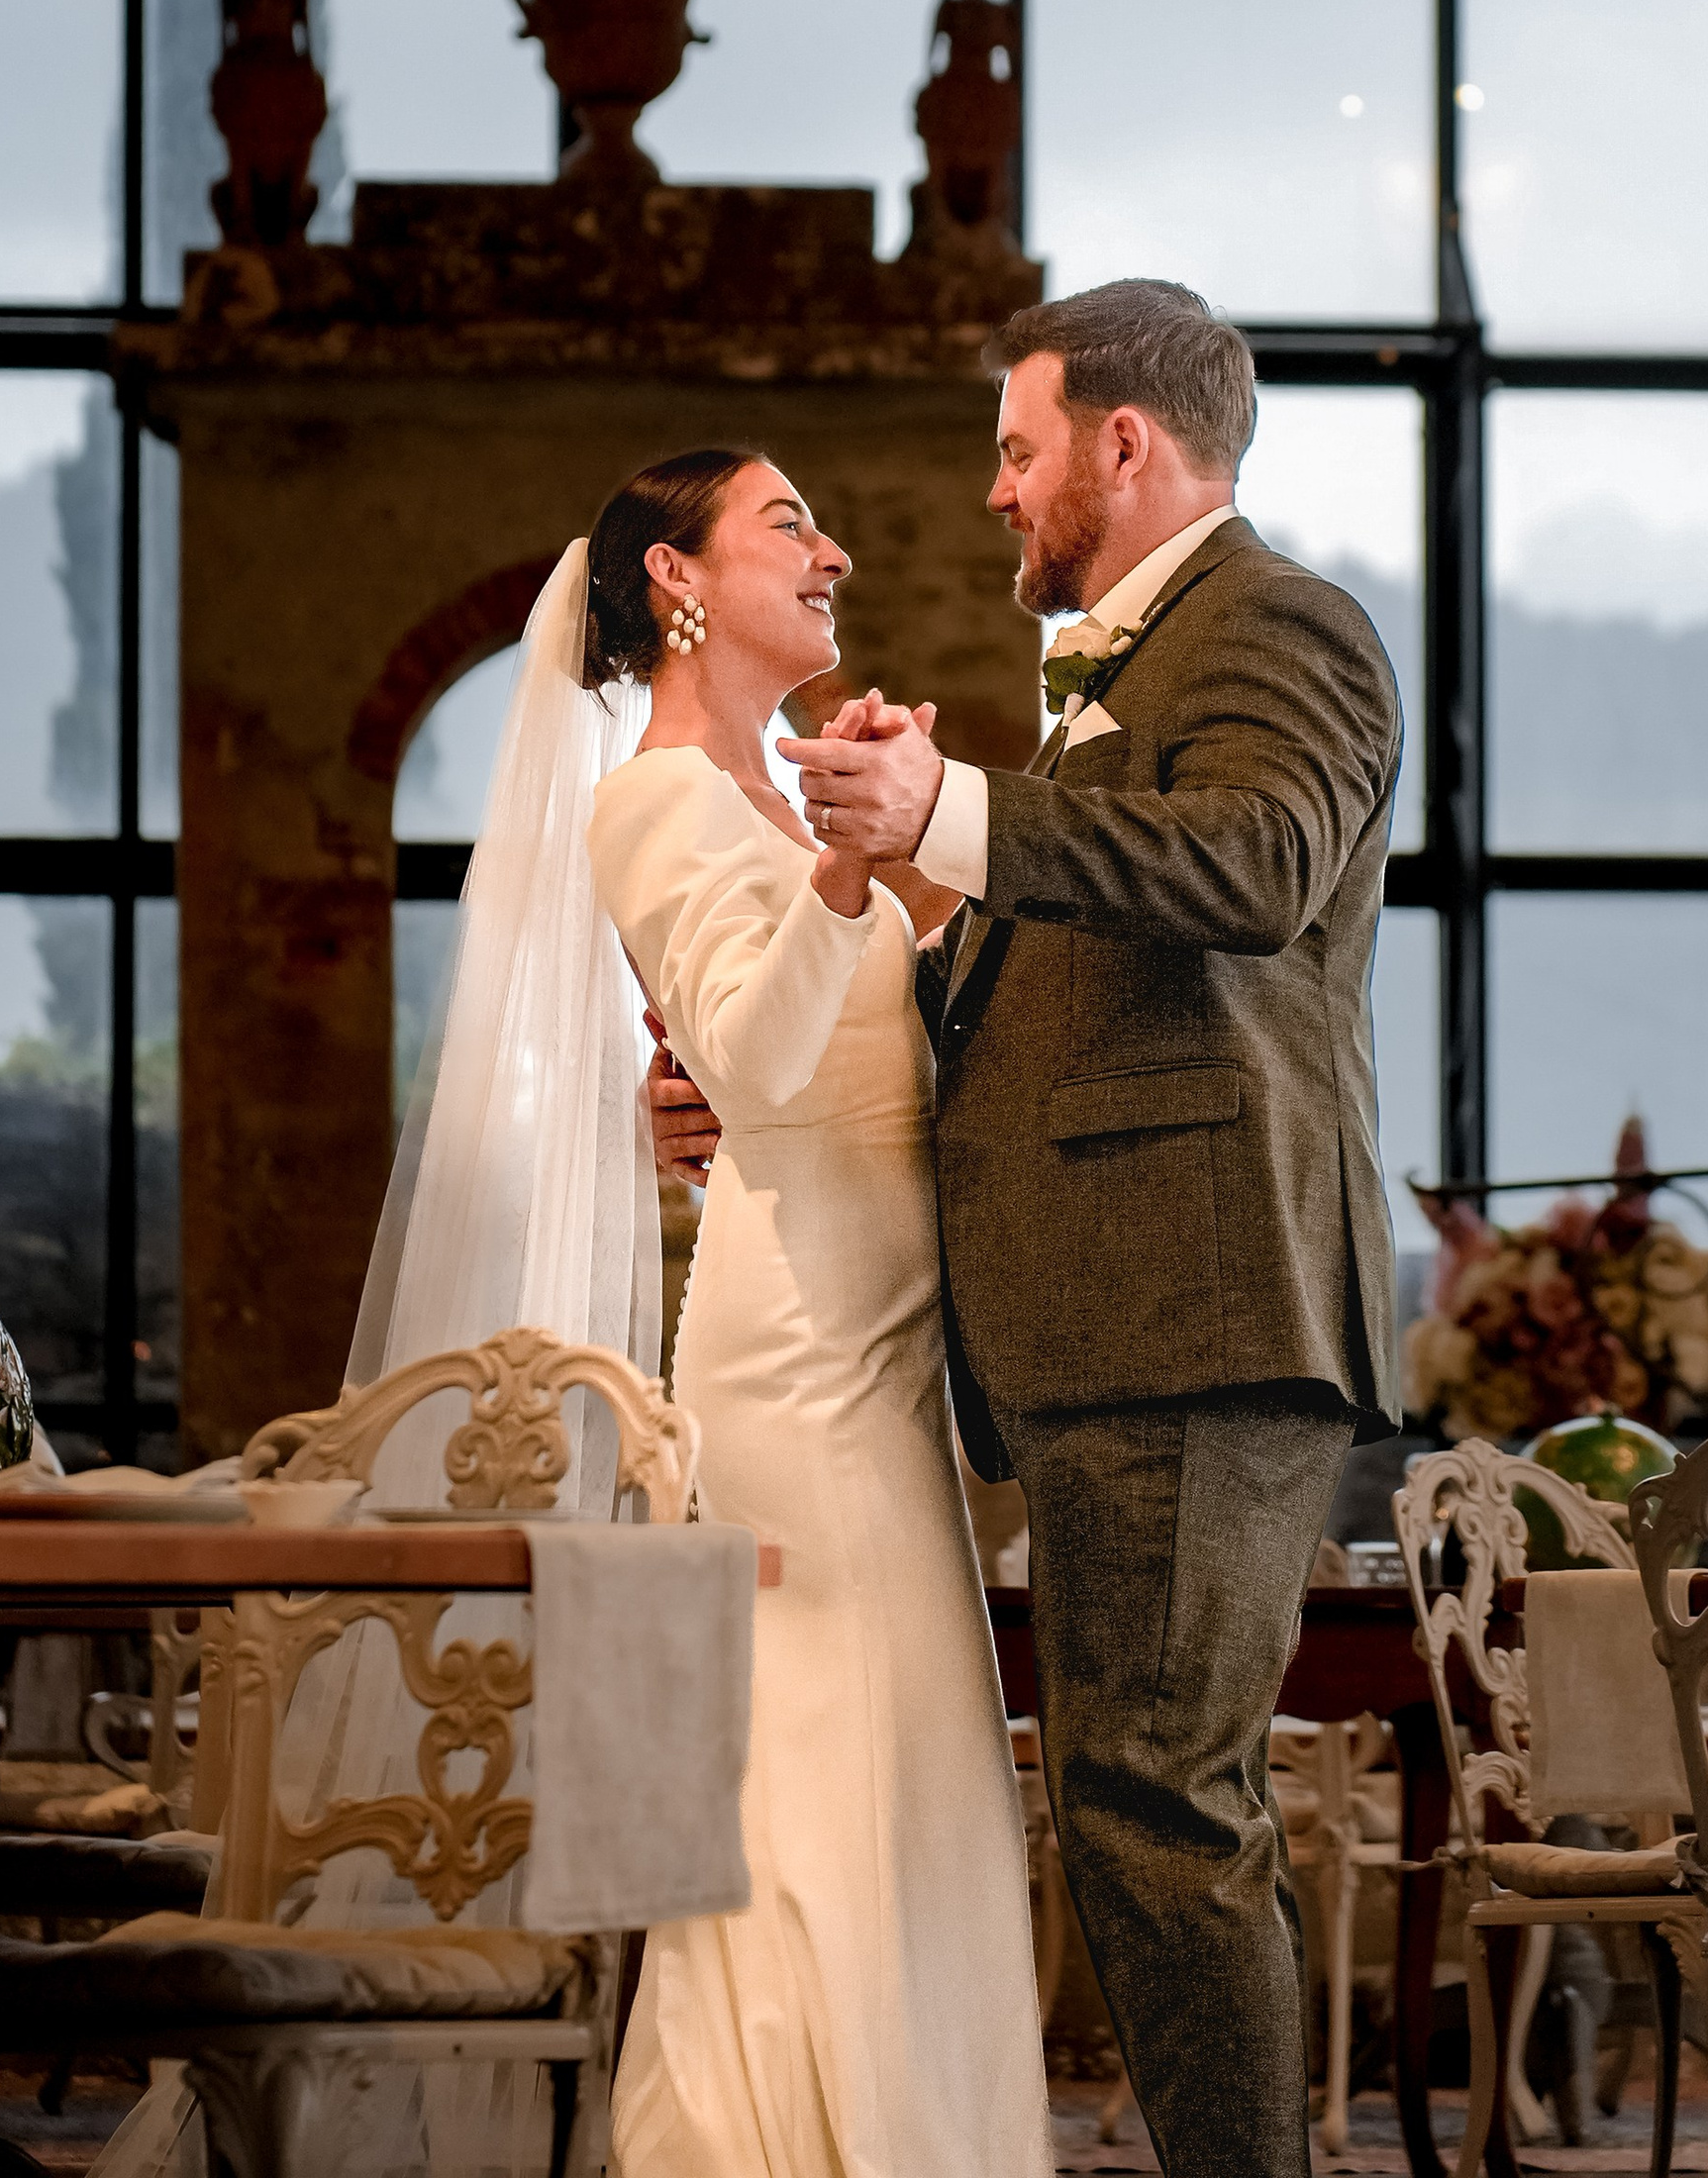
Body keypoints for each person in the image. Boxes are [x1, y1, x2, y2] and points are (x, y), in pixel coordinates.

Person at [778, 279, 1402, 2178]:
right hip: (1112, 1319)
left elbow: (1258, 863)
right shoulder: (1125, 675)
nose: (995, 490)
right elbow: (1066, 993)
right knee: (1136, 1800)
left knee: (1159, 1803)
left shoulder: (1282, 622)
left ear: (1123, 445)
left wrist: (950, 808)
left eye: (1017, 447)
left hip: (1193, 1306)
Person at [583, 448, 1053, 2178]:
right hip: (798, 1362)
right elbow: (755, 1054)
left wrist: (884, 853)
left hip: (889, 1347)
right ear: (676, 580)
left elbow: (849, 1046)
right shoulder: (653, 801)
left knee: (910, 1782)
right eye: (788, 524)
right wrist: (854, 876)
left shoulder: (780, 795)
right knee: (836, 1781)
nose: (834, 550)